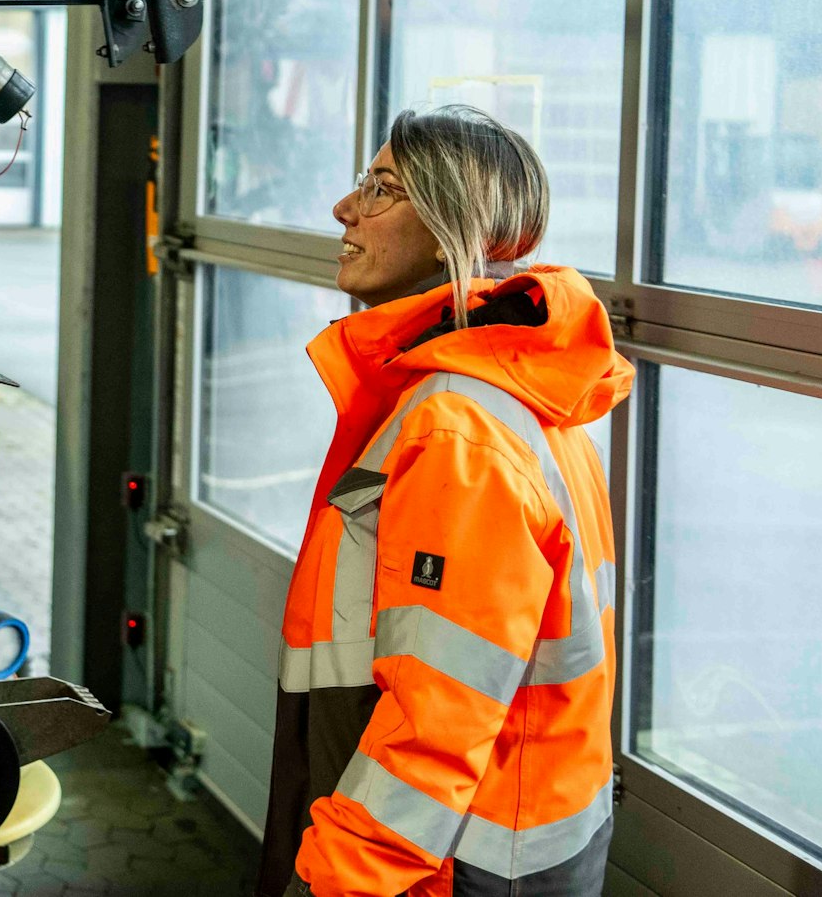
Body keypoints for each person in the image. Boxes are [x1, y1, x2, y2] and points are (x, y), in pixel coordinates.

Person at [261, 105, 633, 897]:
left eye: (380, 188)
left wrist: (336, 880)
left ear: (444, 231)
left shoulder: (460, 427)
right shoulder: (515, 390)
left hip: (451, 862)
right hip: (507, 837)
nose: (344, 208)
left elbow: (439, 719)